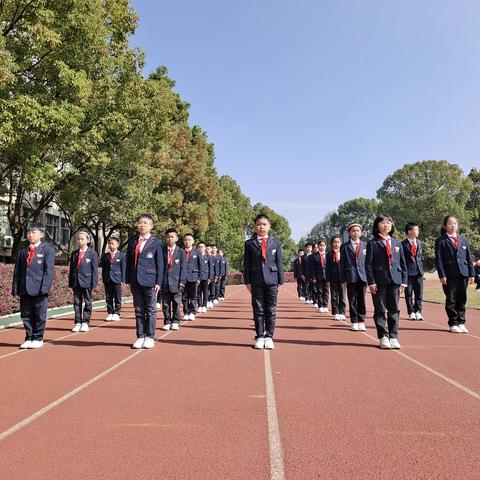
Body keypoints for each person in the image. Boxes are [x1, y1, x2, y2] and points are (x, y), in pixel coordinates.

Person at [366, 215, 407, 349]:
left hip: (395, 279)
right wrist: (371, 282)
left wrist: (404, 280)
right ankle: (383, 336)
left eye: (389, 222)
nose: (386, 225)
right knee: (380, 309)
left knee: (394, 309)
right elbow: (368, 265)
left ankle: (394, 336)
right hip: (379, 280)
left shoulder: (397, 243)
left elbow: (402, 263)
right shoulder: (372, 243)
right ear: (377, 225)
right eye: (383, 223)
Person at [11, 222, 55, 349]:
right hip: (24, 288)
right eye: (28, 233)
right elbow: (17, 271)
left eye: (33, 232)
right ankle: (29, 337)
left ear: (41, 234)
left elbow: (49, 271)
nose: (30, 235)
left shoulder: (47, 250)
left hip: (39, 288)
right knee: (25, 314)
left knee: (39, 314)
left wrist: (45, 288)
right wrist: (15, 288)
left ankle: (38, 337)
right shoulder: (22, 251)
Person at [243, 214, 284, 350]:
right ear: (255, 227)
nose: (261, 227)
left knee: (271, 309)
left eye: (264, 224)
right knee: (258, 309)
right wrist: (247, 281)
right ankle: (260, 336)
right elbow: (247, 264)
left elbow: (279, 262)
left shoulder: (275, 243)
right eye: (259, 224)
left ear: (269, 227)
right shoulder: (249, 244)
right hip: (256, 280)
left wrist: (280, 281)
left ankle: (269, 337)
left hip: (272, 280)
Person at [125, 214, 163, 349]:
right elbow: (128, 262)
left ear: (151, 226)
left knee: (151, 310)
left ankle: (150, 336)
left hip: (150, 281)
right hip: (135, 281)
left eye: (145, 223)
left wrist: (159, 282)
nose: (142, 225)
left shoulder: (156, 242)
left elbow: (160, 263)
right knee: (139, 310)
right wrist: (128, 280)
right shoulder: (133, 241)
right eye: (140, 222)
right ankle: (140, 336)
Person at [434, 215, 475, 333]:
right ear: (444, 226)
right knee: (451, 299)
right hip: (449, 274)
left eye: (455, 223)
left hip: (464, 272)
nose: (453, 225)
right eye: (450, 223)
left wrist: (471, 273)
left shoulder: (464, 240)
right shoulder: (441, 241)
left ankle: (461, 322)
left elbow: (468, 257)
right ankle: (453, 322)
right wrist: (442, 275)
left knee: (462, 298)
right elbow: (439, 259)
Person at [69, 230, 99, 333]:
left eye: (82, 239)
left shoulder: (92, 253)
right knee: (77, 302)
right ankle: (77, 322)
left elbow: (95, 270)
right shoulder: (74, 253)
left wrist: (94, 282)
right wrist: (70, 282)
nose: (80, 241)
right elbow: (72, 268)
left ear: (88, 240)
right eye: (78, 239)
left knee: (87, 301)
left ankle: (86, 322)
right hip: (76, 281)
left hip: (87, 281)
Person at [340, 224, 367, 331]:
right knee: (352, 299)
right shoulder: (345, 246)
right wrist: (343, 278)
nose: (356, 233)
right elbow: (342, 263)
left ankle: (361, 320)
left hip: (363, 276)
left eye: (358, 231)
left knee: (362, 299)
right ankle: (354, 321)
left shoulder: (365, 245)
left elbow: (368, 263)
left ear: (361, 232)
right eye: (353, 231)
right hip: (350, 275)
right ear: (349, 233)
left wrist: (369, 277)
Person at [161, 228, 186, 331]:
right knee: (165, 304)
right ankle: (167, 321)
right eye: (168, 237)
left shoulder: (181, 252)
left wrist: (182, 282)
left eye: (172, 237)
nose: (170, 239)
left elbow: (183, 268)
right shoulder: (162, 251)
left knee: (176, 303)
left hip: (176, 282)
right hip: (164, 281)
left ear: (176, 238)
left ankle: (175, 321)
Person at [401, 222, 424, 320]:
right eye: (415, 229)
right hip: (408, 272)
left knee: (419, 293)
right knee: (409, 293)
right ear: (409, 231)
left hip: (419, 272)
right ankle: (411, 312)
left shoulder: (420, 243)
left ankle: (418, 311)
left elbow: (420, 258)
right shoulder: (402, 244)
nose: (417, 232)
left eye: (418, 230)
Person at [100, 235, 125, 322]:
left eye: (112, 244)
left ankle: (117, 313)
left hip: (117, 279)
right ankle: (110, 312)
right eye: (109, 244)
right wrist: (103, 278)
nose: (110, 245)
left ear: (117, 244)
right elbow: (103, 268)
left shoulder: (122, 256)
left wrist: (123, 280)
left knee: (118, 297)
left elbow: (123, 268)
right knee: (108, 297)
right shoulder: (105, 256)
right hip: (107, 279)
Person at [326, 235, 346, 321]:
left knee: (342, 296)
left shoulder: (344, 253)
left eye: (338, 242)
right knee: (334, 296)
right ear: (331, 244)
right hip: (333, 277)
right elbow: (327, 267)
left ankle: (342, 312)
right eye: (335, 242)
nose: (336, 244)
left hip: (342, 278)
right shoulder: (329, 254)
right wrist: (328, 279)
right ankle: (336, 312)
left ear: (341, 243)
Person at [182, 233, 202, 321]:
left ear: (193, 241)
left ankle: (192, 312)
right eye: (185, 240)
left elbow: (200, 265)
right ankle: (186, 312)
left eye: (189, 240)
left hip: (193, 276)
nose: (187, 241)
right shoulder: (180, 251)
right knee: (184, 296)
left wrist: (199, 277)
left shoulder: (197, 252)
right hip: (183, 278)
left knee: (193, 296)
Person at [313, 240, 329, 313]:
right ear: (318, 246)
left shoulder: (328, 255)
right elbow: (312, 268)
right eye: (320, 245)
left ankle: (325, 305)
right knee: (319, 291)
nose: (322, 247)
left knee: (326, 291)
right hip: (318, 276)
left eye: (323, 245)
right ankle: (320, 305)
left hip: (327, 276)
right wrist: (313, 277)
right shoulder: (314, 256)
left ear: (325, 246)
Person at [197, 241, 210, 313]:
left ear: (205, 248)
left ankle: (204, 305)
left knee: (205, 291)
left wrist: (210, 277)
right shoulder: (196, 256)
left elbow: (210, 267)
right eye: (199, 247)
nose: (200, 248)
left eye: (202, 247)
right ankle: (199, 305)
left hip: (205, 277)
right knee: (198, 292)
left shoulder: (208, 257)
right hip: (198, 277)